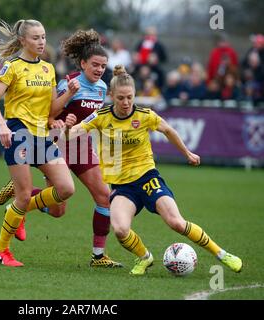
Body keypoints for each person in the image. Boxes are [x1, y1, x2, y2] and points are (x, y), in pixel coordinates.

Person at [66, 65, 243, 276]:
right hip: (122, 187)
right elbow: (72, 133)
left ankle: (222, 254)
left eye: (129, 97)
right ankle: (144, 258)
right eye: (120, 98)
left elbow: (168, 130)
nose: (125, 103)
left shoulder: (145, 115)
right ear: (111, 95)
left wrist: (187, 153)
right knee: (121, 230)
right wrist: (68, 127)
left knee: (176, 222)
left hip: (147, 178)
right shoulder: (101, 116)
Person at [0, 29, 123, 268]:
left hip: (81, 145)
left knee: (104, 196)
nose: (99, 70)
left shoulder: (102, 89)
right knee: (57, 211)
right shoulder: (68, 83)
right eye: (95, 65)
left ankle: (98, 256)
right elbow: (48, 112)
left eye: (103, 66)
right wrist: (57, 123)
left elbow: (93, 119)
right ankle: (21, 202)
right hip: (58, 142)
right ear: (83, 63)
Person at [0, 19, 79, 267]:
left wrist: (68, 93)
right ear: (23, 41)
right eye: (36, 37)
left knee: (66, 189)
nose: (41, 41)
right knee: (24, 194)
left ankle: (18, 211)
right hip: (18, 132)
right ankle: (1, 250)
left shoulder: (48, 68)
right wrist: (1, 124)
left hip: (42, 135)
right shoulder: (12, 67)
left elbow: (51, 109)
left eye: (44, 37)